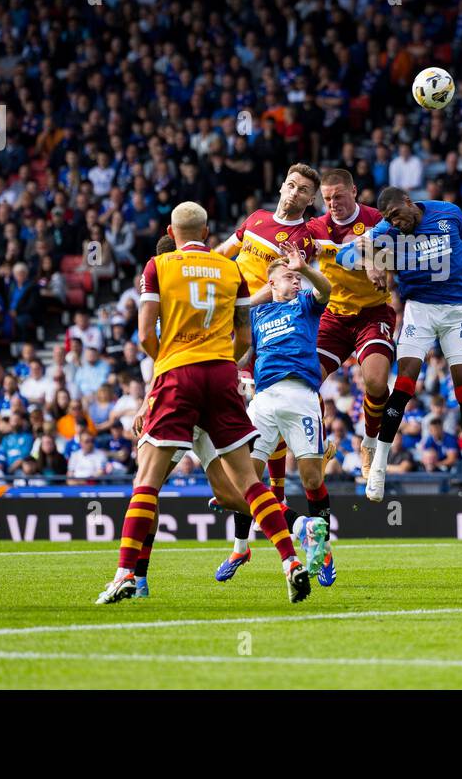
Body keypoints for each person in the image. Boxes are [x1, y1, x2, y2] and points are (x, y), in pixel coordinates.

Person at [96, 202, 318, 605]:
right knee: (242, 488)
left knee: (146, 482)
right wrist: (217, 363)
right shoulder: (228, 268)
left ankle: (128, 574)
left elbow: (147, 338)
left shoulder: (159, 270)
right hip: (220, 377)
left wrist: (158, 385)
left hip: (176, 379)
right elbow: (245, 339)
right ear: (207, 229)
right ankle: (292, 551)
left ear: (171, 234)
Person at [336, 187, 462, 508]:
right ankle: (378, 468)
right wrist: (372, 262)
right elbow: (343, 255)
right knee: (403, 385)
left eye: (396, 216)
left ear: (408, 203)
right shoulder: (387, 231)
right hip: (420, 309)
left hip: (461, 310)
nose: (394, 223)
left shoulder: (448, 212)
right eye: (388, 220)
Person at [213, 164, 320, 555]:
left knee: (251, 421)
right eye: (291, 185)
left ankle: (255, 514)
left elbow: (286, 286)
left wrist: (240, 306)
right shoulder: (256, 219)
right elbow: (224, 252)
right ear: (281, 186)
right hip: (232, 325)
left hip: (261, 327)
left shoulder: (301, 238)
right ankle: (244, 534)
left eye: (304, 190)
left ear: (311, 200)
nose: (294, 193)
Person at [214, 244, 332, 584]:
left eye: (297, 277)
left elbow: (326, 289)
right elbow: (236, 313)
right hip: (263, 401)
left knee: (312, 479)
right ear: (272, 283)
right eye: (289, 278)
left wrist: (304, 270)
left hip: (301, 396)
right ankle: (299, 529)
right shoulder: (257, 315)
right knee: (242, 483)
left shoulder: (306, 304)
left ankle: (322, 550)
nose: (295, 282)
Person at [306, 168, 397, 482]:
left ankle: (369, 445)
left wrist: (374, 262)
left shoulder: (375, 219)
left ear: (354, 192)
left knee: (375, 382)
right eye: (327, 198)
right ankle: (321, 443)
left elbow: (383, 255)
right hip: (334, 315)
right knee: (302, 382)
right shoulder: (315, 227)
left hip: (373, 313)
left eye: (338, 196)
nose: (332, 203)